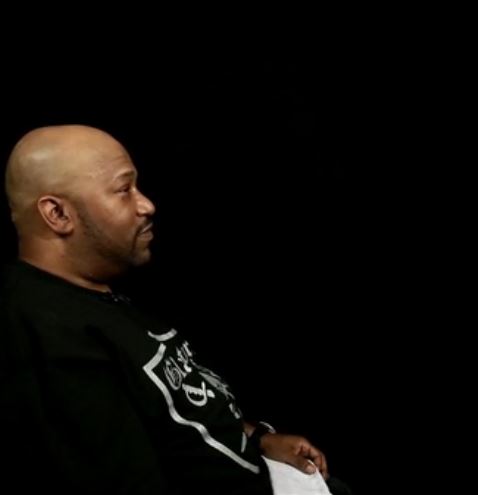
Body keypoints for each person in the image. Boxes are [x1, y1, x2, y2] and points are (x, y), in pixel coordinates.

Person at [0, 125, 351, 494]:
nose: (146, 205)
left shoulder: (91, 295)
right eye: (124, 190)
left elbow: (168, 411)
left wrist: (256, 438)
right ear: (58, 213)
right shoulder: (47, 330)